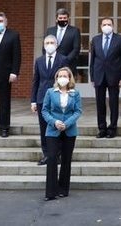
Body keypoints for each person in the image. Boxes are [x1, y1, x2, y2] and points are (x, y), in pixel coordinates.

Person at [41, 66, 83, 201]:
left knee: (66, 160)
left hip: (69, 130)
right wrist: (54, 122)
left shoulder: (75, 93)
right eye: (60, 76)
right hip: (53, 130)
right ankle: (51, 192)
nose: (62, 78)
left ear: (69, 78)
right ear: (56, 78)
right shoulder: (50, 92)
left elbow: (78, 111)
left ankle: (63, 189)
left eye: (65, 76)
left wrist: (67, 123)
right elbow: (45, 110)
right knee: (52, 158)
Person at [31, 35, 69, 165]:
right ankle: (47, 154)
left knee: (57, 127)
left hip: (58, 98)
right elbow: (35, 81)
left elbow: (66, 80)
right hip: (42, 99)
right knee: (44, 128)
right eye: (47, 42)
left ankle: (57, 155)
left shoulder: (63, 59)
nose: (49, 44)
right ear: (43, 45)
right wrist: (33, 101)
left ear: (57, 45)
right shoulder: (39, 60)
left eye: (52, 42)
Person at [89, 17, 121, 139]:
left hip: (114, 76)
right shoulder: (95, 40)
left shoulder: (120, 40)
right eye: (104, 24)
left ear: (113, 25)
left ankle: (112, 128)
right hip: (99, 75)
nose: (107, 26)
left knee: (113, 103)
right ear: (101, 26)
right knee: (100, 103)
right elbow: (93, 59)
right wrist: (92, 76)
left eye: (109, 24)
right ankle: (102, 128)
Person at [44, 8, 80, 73]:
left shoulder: (74, 31)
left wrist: (65, 60)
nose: (62, 20)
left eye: (64, 18)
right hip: (52, 64)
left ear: (68, 19)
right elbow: (45, 47)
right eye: (60, 18)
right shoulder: (50, 31)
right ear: (56, 19)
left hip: (68, 65)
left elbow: (76, 48)